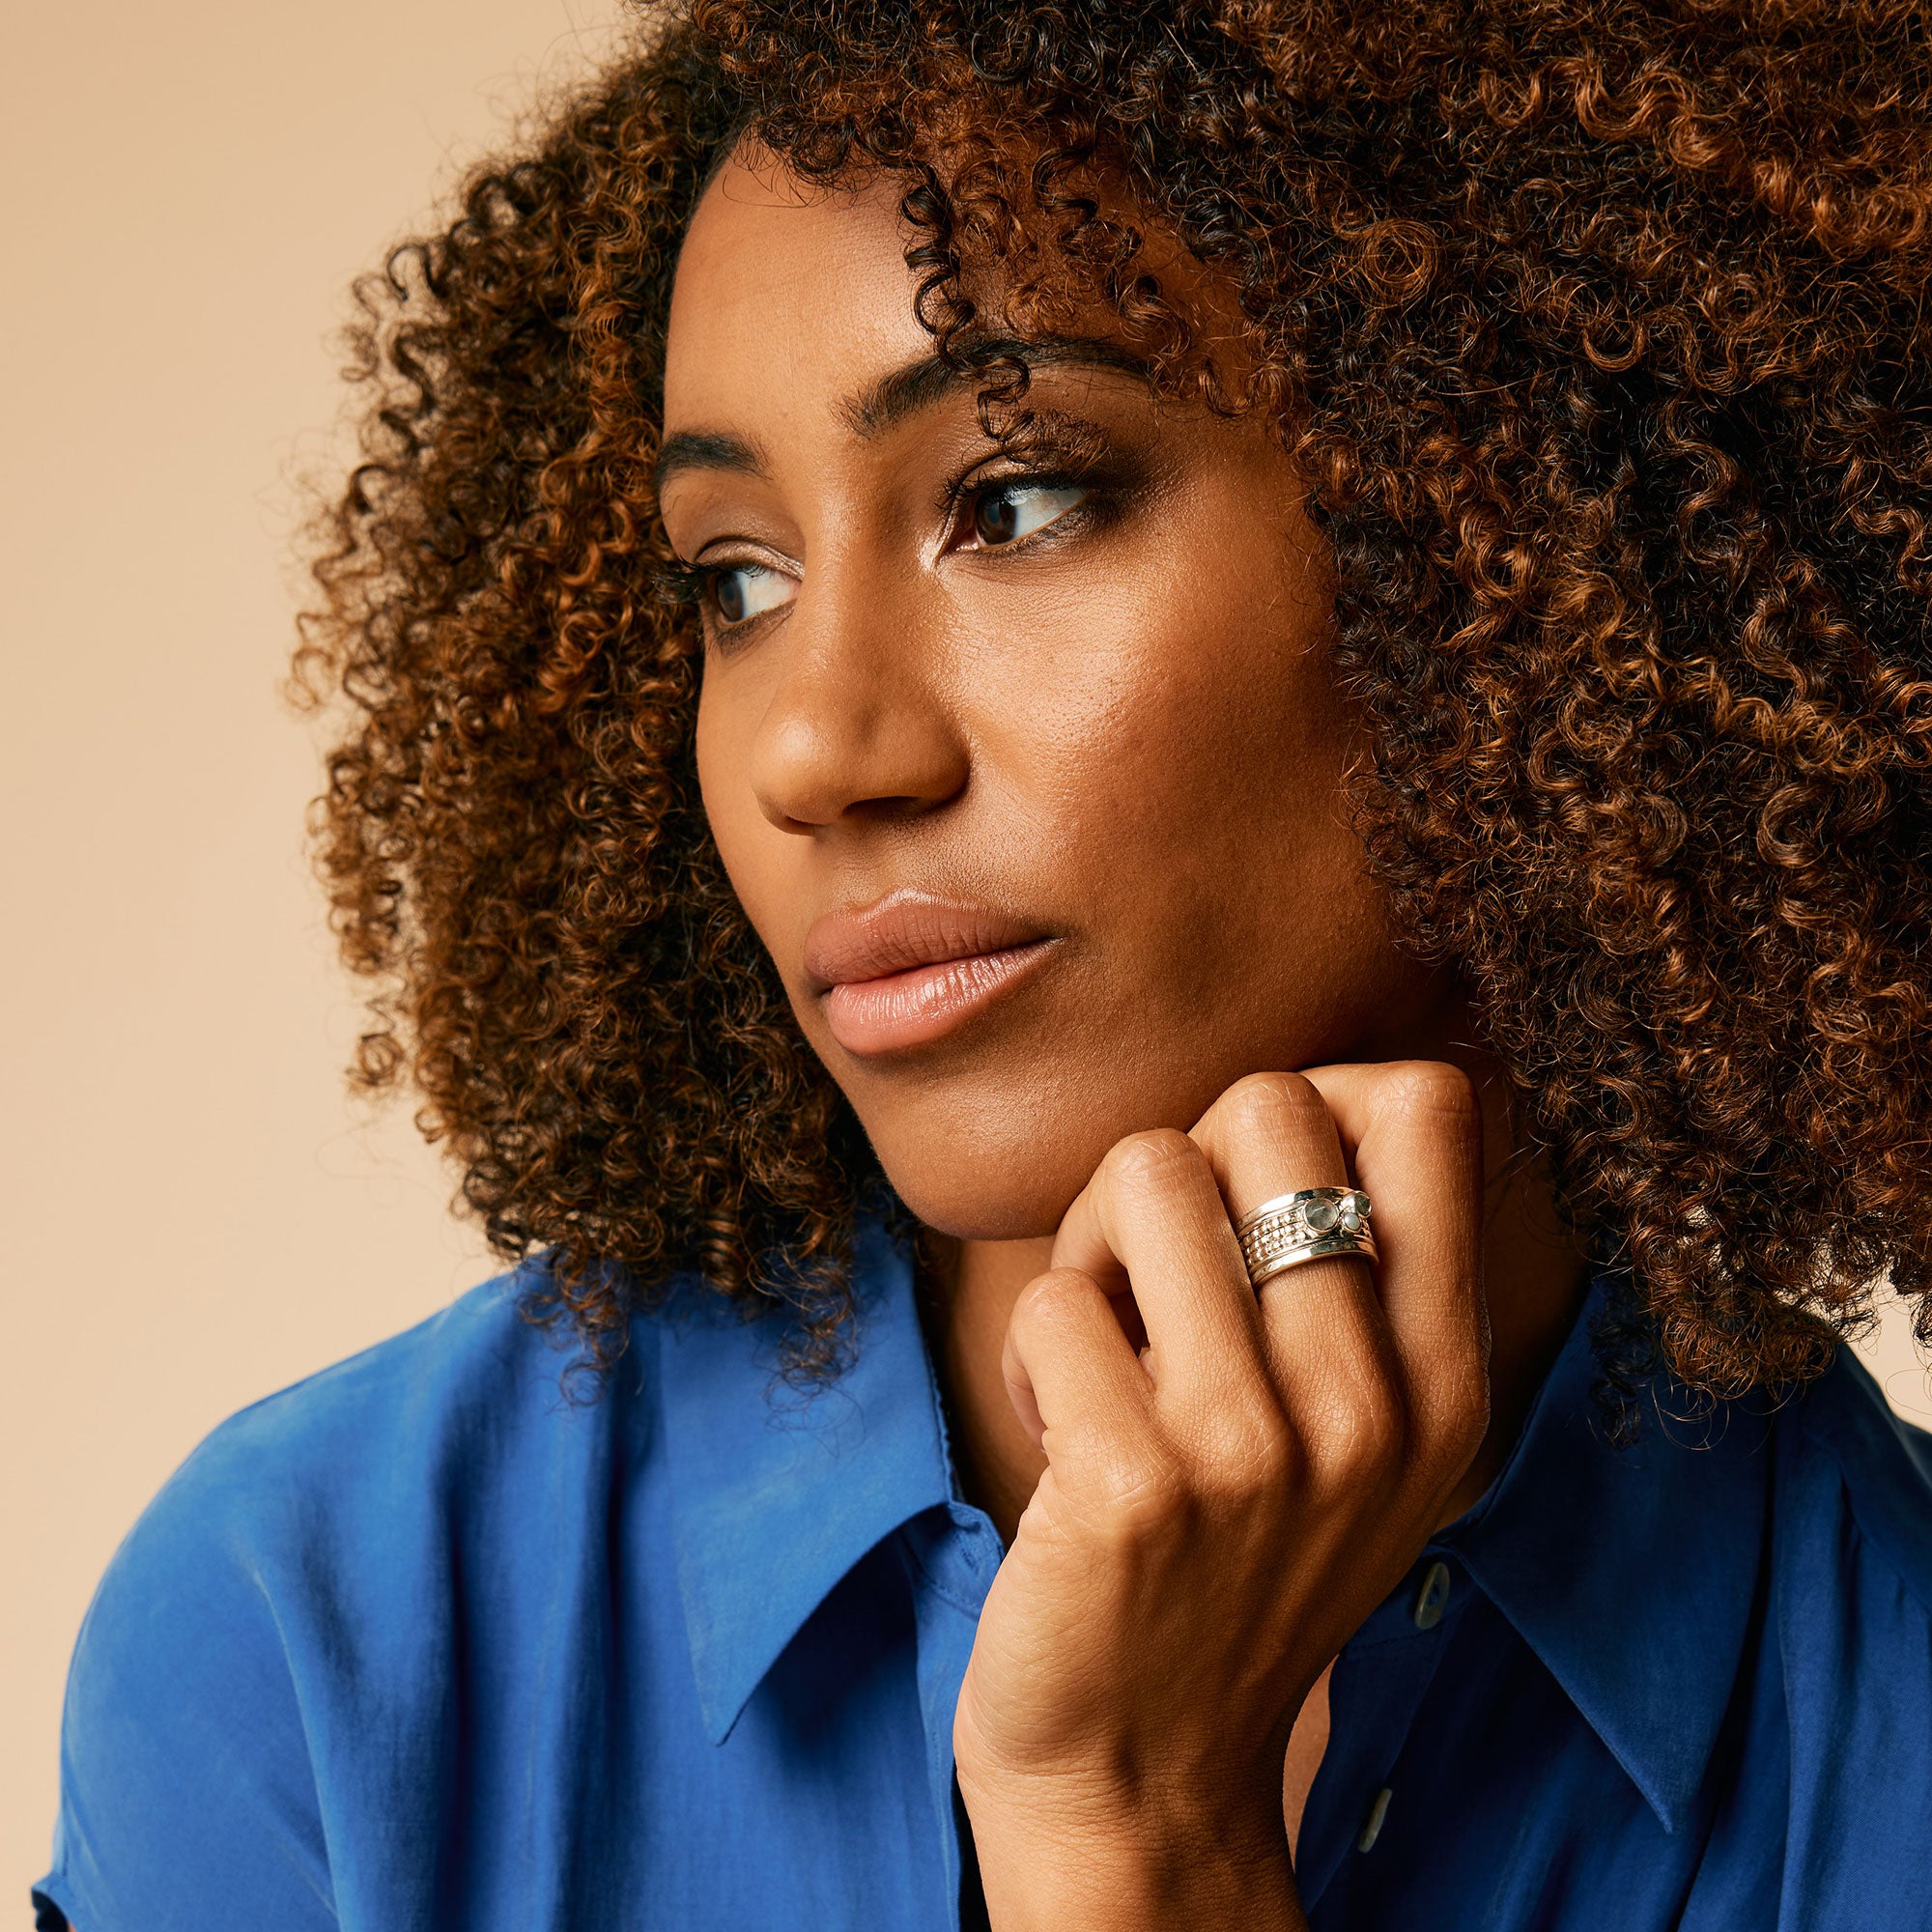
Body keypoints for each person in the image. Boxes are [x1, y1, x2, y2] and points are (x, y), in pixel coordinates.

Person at [32, 3, 1932, 1927]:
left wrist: (1133, 1831)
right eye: (736, 580)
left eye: (1013, 498)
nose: (813, 749)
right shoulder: (322, 1644)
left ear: (1515, 533)